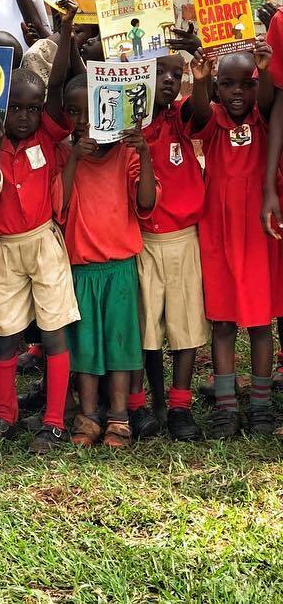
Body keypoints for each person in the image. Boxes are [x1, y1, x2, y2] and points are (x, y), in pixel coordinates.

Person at [0, 0, 80, 453]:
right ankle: (6, 414)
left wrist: (65, 28)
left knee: (55, 330)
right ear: (3, 105)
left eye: (32, 108)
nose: (23, 116)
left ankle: (54, 420)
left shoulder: (47, 131)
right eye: (15, 107)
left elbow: (58, 84)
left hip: (43, 244)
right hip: (5, 249)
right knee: (5, 336)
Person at [60, 75, 157, 448]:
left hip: (119, 268)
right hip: (82, 268)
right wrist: (73, 158)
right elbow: (60, 205)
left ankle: (118, 416)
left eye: (91, 110)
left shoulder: (127, 154)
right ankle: (88, 415)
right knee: (84, 346)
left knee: (120, 346)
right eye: (74, 112)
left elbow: (146, 201)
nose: (84, 120)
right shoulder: (65, 153)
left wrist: (145, 152)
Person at [190, 45, 279, 437]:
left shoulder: (264, 117)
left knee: (260, 322)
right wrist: (200, 79)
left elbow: (267, 99)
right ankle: (226, 405)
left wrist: (266, 69)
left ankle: (261, 404)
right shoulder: (214, 119)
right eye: (227, 84)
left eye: (247, 84)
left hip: (258, 229)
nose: (237, 92)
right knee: (223, 320)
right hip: (218, 227)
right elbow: (198, 110)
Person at [132, 52, 210, 441]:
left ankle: (180, 405)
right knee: (147, 329)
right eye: (157, 72)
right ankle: (154, 402)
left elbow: (201, 112)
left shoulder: (180, 116)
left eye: (174, 74)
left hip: (183, 240)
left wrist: (199, 78)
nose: (167, 79)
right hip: (142, 241)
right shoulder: (129, 126)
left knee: (186, 327)